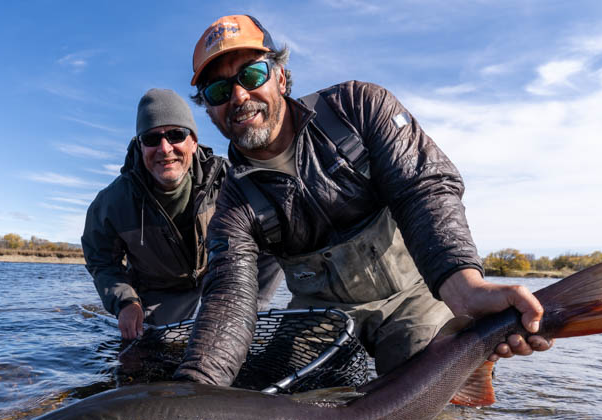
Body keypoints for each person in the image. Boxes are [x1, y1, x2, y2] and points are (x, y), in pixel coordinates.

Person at [175, 15, 552, 385]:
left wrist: (464, 288)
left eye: (252, 75)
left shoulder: (359, 107)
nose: (239, 96)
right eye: (219, 91)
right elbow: (229, 299)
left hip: (415, 294)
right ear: (209, 110)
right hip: (320, 312)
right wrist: (195, 387)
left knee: (423, 394)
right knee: (285, 399)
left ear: (281, 78)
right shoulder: (232, 201)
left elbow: (423, 190)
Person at [82, 88, 283, 340]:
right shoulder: (112, 202)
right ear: (140, 145)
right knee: (159, 345)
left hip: (222, 282)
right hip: (160, 293)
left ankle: (244, 313)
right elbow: (101, 260)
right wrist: (125, 302)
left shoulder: (228, 179)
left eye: (176, 135)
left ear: (194, 141)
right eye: (152, 139)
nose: (165, 149)